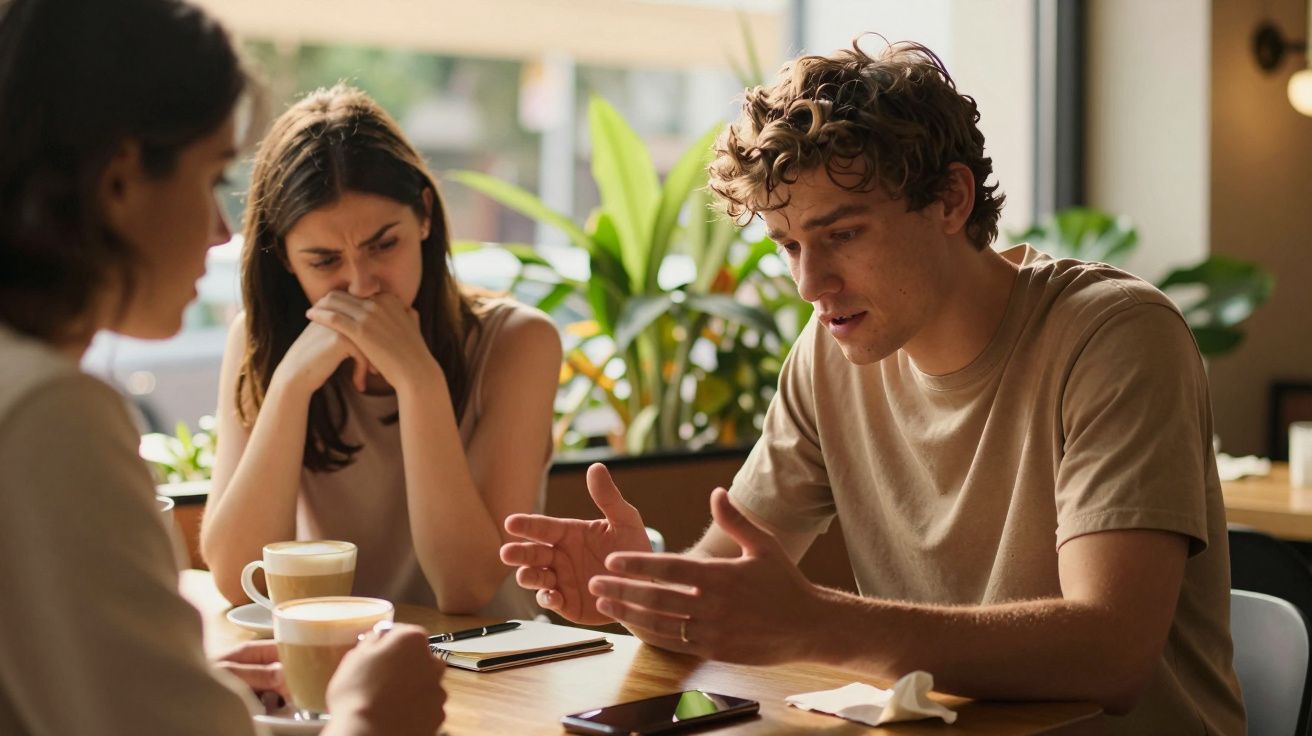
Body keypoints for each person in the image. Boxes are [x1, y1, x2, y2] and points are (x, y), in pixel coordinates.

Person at [501, 39, 1245, 734]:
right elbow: (725, 594)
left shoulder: (1113, 335)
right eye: (789, 245)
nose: (809, 284)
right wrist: (641, 591)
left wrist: (817, 624)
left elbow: (1111, 653)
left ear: (950, 200)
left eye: (843, 235)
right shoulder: (830, 353)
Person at [0, 0, 445, 733]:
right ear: (120, 179)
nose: (219, 231)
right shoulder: (49, 415)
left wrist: (181, 686)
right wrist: (370, 716)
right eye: (211, 177)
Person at [201, 84, 560, 617]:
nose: (362, 285)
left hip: (492, 657)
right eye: (324, 261)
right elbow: (238, 580)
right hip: (337, 654)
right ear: (285, 259)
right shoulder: (259, 341)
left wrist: (418, 380)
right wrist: (291, 385)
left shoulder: (518, 342)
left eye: (384, 245)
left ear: (424, 215)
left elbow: (466, 587)